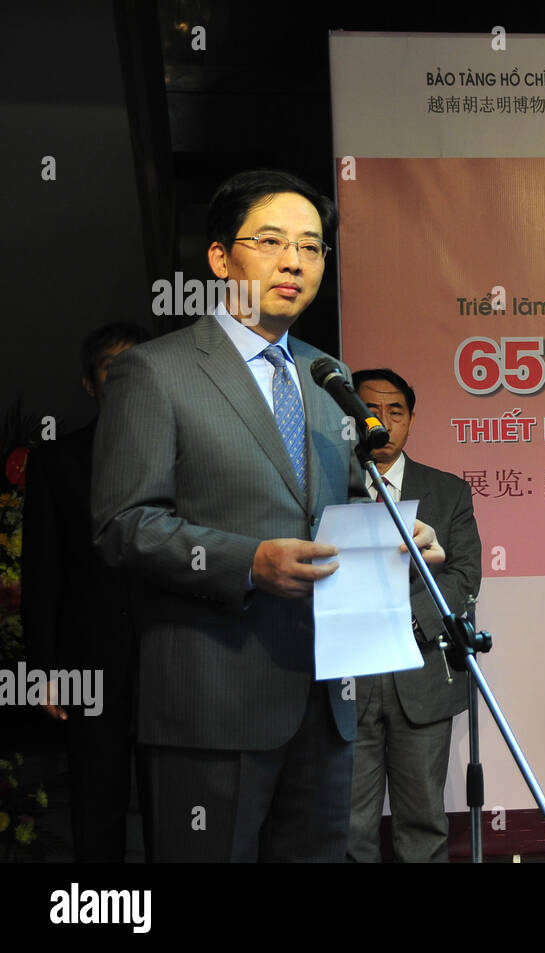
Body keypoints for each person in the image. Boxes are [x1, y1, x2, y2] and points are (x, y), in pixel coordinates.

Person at [91, 169, 446, 862]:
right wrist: (247, 563)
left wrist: (395, 540)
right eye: (273, 241)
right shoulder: (156, 372)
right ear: (221, 258)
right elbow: (121, 525)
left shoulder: (328, 376)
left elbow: (339, 512)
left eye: (312, 248)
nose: (294, 261)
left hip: (327, 700)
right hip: (212, 703)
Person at [21, 321, 152, 862]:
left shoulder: (189, 452)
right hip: (89, 662)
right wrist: (44, 668)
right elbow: (42, 571)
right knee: (97, 803)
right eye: (109, 367)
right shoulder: (57, 461)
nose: (123, 377)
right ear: (89, 383)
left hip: (175, 654)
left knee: (182, 803)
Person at [346, 368, 481, 863]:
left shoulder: (448, 492)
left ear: (411, 422)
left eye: (394, 411)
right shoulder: (322, 483)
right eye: (368, 410)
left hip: (422, 670)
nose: (380, 420)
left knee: (423, 823)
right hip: (346, 676)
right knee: (348, 826)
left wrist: (404, 620)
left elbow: (464, 577)